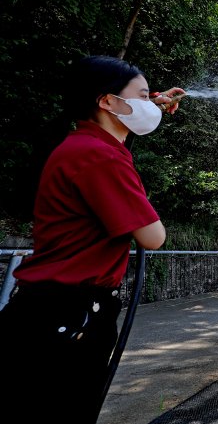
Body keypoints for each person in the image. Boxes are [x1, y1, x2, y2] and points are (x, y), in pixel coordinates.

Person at [0, 55, 184, 423]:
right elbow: (153, 236)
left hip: (47, 313)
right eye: (143, 96)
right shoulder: (100, 158)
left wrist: (146, 104)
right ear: (107, 101)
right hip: (68, 318)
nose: (152, 104)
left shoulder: (85, 146)